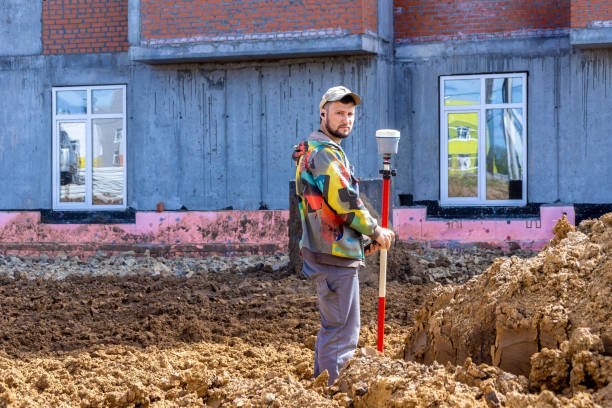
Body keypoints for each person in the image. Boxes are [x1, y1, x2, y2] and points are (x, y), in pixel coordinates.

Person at [292, 85, 395, 384]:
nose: (345, 119)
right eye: (339, 113)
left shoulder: (318, 150)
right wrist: (374, 229)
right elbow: (344, 201)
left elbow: (329, 208)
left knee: (338, 328)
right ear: (322, 112)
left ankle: (324, 384)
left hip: (330, 249)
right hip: (332, 256)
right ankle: (330, 389)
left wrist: (362, 242)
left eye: (350, 114)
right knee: (340, 332)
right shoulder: (324, 155)